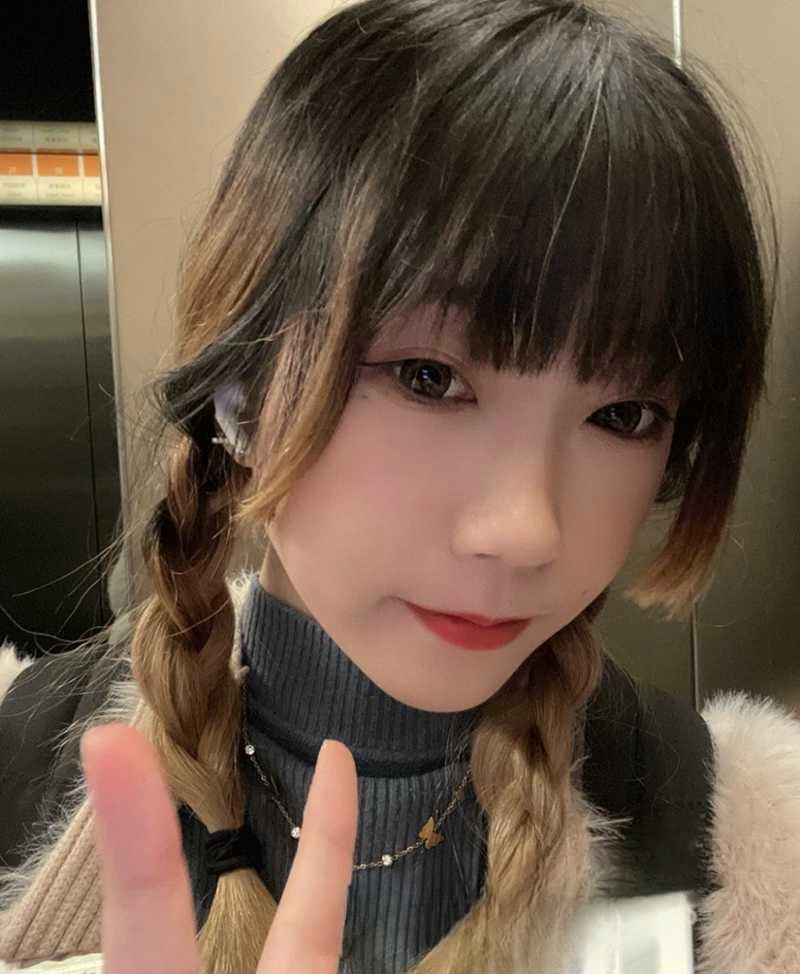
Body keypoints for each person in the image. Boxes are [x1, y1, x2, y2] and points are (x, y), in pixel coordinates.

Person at [1, 1, 798, 971]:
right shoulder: (16, 759)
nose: (526, 530)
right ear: (242, 390)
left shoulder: (749, 849)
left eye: (623, 414)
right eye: (428, 377)